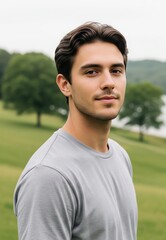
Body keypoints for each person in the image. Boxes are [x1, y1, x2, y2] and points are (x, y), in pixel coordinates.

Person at [13, 22, 138, 240]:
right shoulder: (49, 175)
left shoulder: (119, 155)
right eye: (92, 72)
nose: (109, 82)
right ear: (65, 84)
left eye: (116, 71)